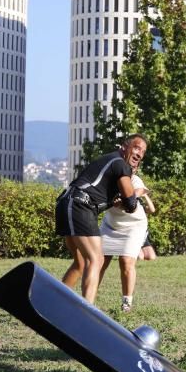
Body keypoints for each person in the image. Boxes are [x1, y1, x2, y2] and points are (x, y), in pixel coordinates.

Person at [59, 134, 148, 304]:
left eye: (143, 151)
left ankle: (56, 303)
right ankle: (87, 311)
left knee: (80, 263)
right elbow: (130, 203)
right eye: (136, 148)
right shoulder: (121, 164)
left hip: (66, 202)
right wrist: (129, 200)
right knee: (96, 259)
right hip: (80, 205)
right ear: (124, 147)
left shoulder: (110, 162)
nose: (139, 154)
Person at [97, 170, 155, 312]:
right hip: (110, 225)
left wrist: (123, 202)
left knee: (126, 261)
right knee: (98, 262)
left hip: (134, 225)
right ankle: (88, 300)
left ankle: (126, 304)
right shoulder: (105, 181)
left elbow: (137, 196)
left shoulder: (134, 180)